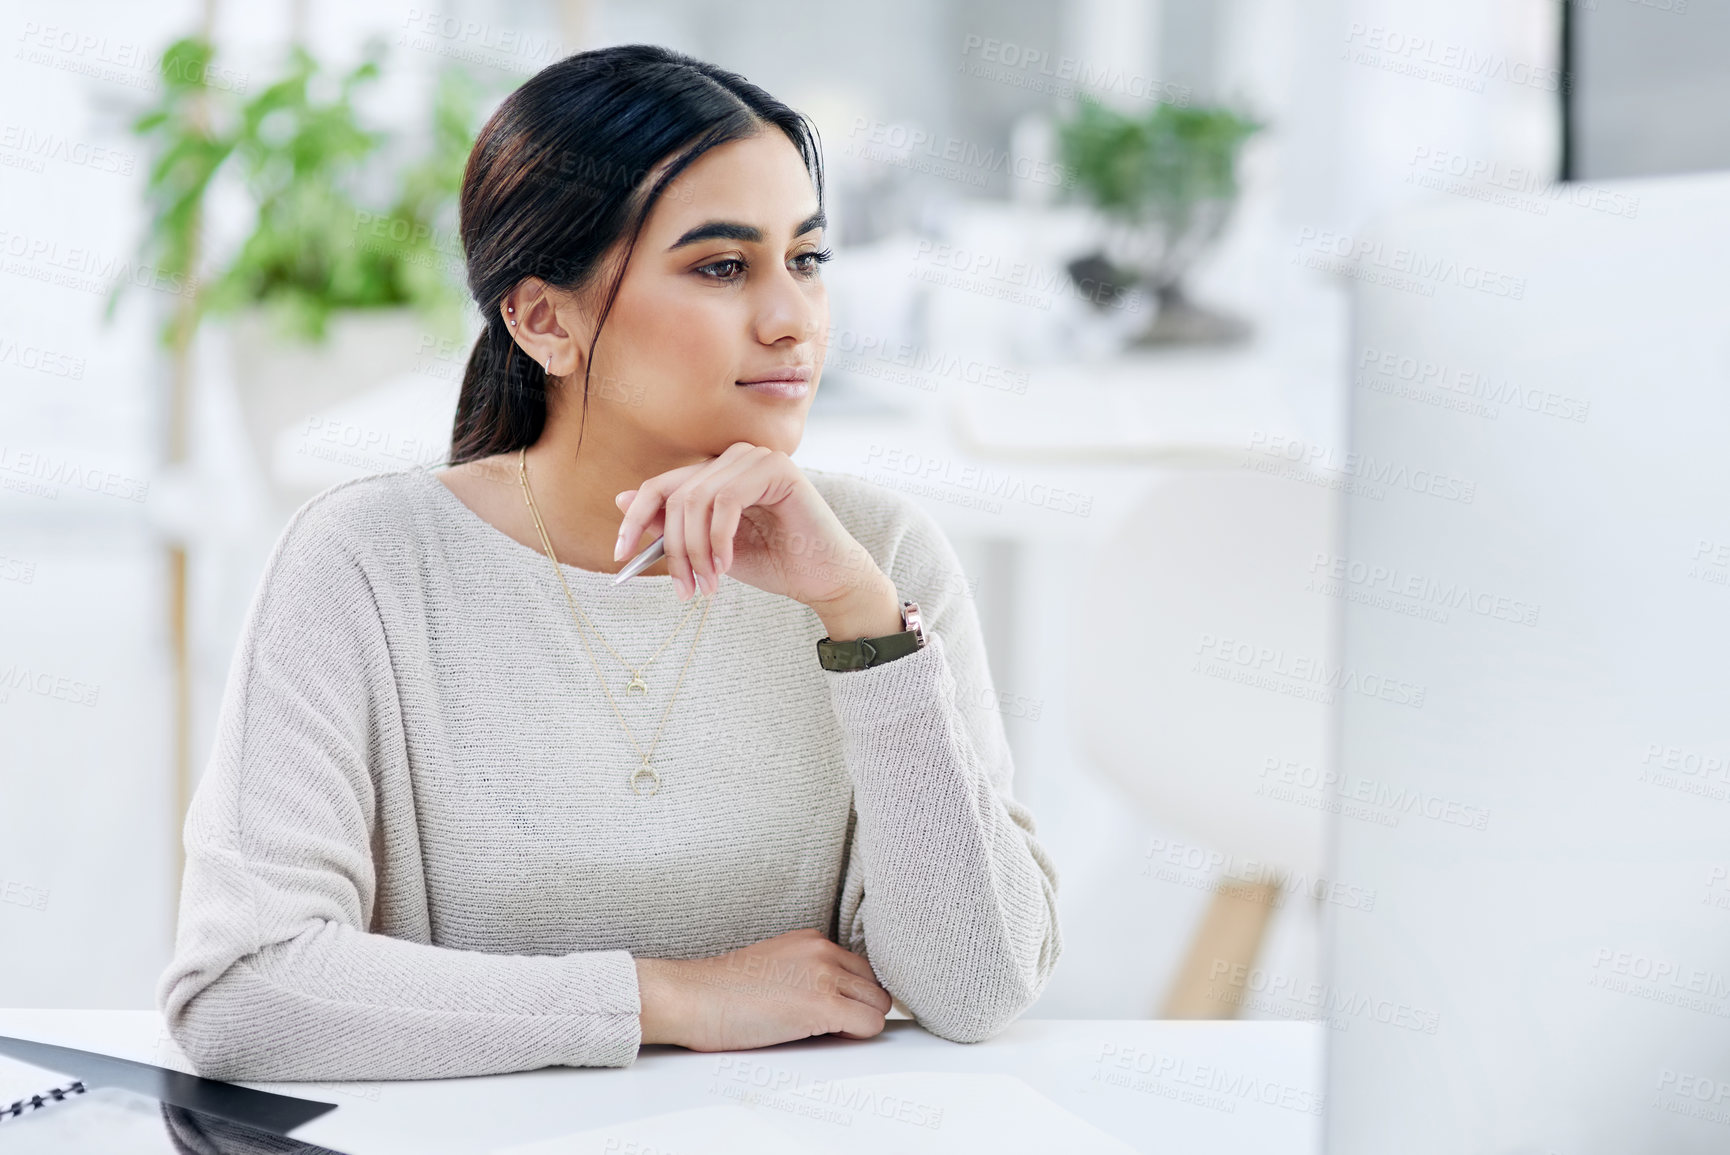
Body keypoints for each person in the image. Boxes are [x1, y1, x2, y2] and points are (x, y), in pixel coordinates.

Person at [156, 43, 1061, 1081]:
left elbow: (978, 988)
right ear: (545, 320)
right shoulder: (363, 564)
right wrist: (667, 996)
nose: (791, 319)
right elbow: (242, 989)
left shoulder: (876, 560)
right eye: (721, 267)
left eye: (805, 259)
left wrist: (860, 621)